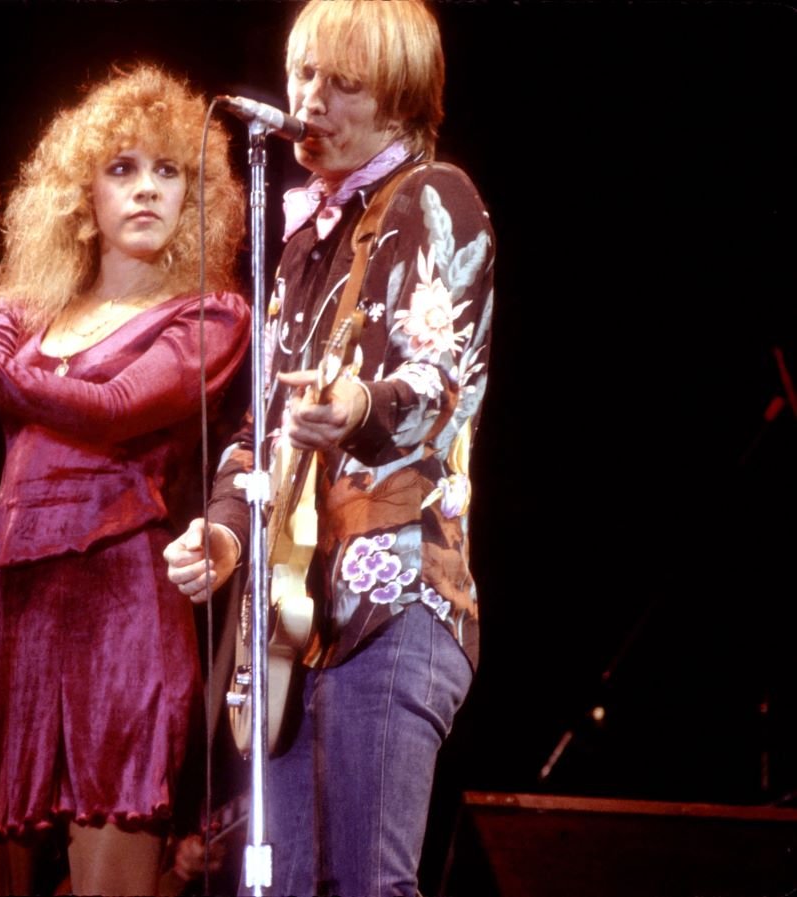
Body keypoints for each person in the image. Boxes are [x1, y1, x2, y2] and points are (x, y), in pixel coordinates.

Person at [0, 65, 250, 896]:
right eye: (122, 169)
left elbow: (115, 405)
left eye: (168, 171)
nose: (147, 189)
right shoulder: (29, 304)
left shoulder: (209, 313)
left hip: (119, 606)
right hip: (2, 602)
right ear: (82, 194)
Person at [164, 2, 495, 894]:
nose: (311, 99)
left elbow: (439, 385)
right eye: (305, 74)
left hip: (391, 603)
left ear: (399, 100)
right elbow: (257, 431)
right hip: (286, 616)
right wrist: (225, 531)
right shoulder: (302, 242)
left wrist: (356, 403)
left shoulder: (439, 198)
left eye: (343, 84)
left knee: (367, 882)